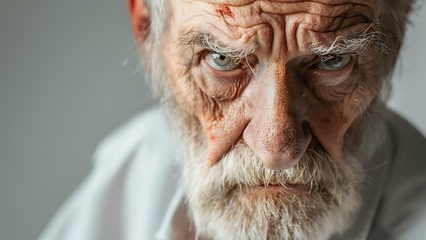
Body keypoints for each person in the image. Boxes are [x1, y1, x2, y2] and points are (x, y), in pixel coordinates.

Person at [40, 0, 426, 239]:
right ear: (147, 30)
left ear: (393, 42)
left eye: (332, 60)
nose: (278, 148)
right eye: (221, 59)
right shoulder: (138, 166)